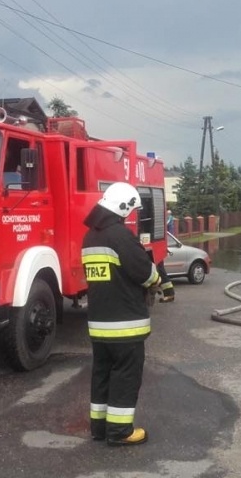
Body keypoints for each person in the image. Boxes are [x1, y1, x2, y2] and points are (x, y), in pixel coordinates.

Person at [81, 182, 161, 446]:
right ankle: (119, 432)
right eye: (131, 211)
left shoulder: (90, 236)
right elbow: (143, 271)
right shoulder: (120, 236)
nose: (131, 216)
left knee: (102, 373)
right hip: (125, 325)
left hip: (98, 323)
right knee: (126, 375)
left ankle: (100, 428)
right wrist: (156, 280)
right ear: (123, 206)